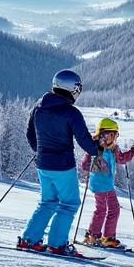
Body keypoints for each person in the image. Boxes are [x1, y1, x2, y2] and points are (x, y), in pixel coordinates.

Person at [18, 70, 101, 256]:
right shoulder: (71, 113)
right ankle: (57, 244)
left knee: (47, 202)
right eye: (78, 88)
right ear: (71, 88)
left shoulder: (38, 107)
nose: (78, 92)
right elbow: (84, 140)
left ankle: (28, 240)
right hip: (63, 165)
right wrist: (97, 149)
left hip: (43, 164)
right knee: (69, 203)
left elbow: (30, 135)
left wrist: (41, 150)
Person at [81, 118, 134, 248]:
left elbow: (121, 159)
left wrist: (132, 151)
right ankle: (92, 236)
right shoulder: (95, 148)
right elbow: (85, 164)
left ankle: (108, 238)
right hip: (99, 185)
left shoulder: (113, 149)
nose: (113, 138)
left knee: (114, 209)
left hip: (108, 186)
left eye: (115, 135)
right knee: (101, 210)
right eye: (110, 135)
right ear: (102, 134)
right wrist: (93, 160)